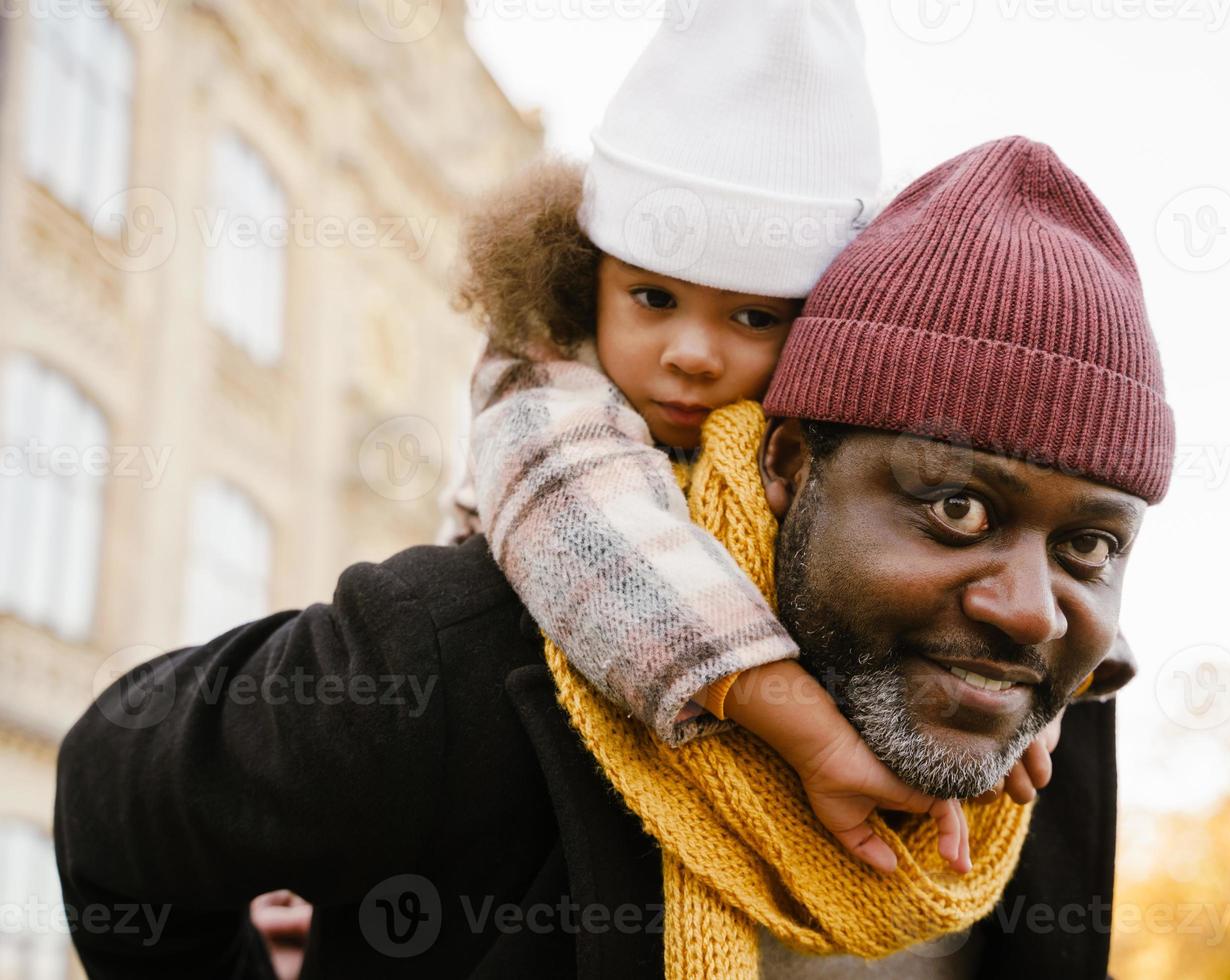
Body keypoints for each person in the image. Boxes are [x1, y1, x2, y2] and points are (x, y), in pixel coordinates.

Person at [55, 136, 1172, 978]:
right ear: (788, 463)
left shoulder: (1050, 746)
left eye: (1087, 542)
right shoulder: (468, 648)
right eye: (959, 511)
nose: (1031, 608)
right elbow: (117, 796)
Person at [437, 0, 1077, 875]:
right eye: (653, 298)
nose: (694, 355)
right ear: (584, 280)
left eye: (751, 315)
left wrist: (1020, 684)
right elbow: (591, 529)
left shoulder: (825, 446)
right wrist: (809, 733)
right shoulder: (539, 381)